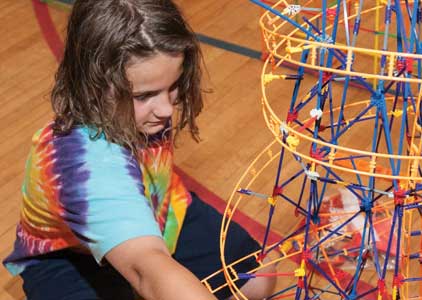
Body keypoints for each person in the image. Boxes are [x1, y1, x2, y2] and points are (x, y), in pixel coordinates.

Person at [2, 0, 275, 299]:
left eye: (173, 86)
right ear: (93, 84)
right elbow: (148, 269)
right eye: (145, 95)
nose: (167, 109)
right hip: (69, 257)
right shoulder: (82, 167)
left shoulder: (143, 110)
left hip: (159, 208)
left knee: (258, 279)